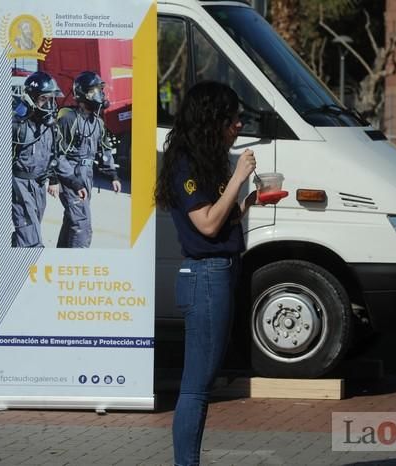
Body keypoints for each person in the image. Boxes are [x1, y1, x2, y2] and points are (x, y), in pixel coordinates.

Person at [154, 81, 259, 466]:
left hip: (221, 273)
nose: (239, 125)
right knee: (196, 387)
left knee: (203, 381)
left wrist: (247, 201)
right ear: (213, 119)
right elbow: (208, 225)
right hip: (205, 278)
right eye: (233, 118)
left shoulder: (209, 158)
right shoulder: (185, 162)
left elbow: (224, 218)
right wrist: (239, 177)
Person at [11, 71, 85, 247]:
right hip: (19, 186)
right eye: (44, 99)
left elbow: (57, 157)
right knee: (31, 240)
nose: (50, 104)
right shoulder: (16, 125)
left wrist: (76, 183)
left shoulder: (49, 127)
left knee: (28, 232)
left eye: (52, 99)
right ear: (31, 98)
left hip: (38, 186)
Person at [55, 71, 121, 248]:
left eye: (100, 90)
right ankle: (78, 262)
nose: (99, 95)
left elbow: (105, 148)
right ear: (83, 93)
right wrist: (71, 182)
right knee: (82, 225)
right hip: (71, 175)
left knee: (72, 220)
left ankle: (61, 259)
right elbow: (57, 153)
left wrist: (112, 175)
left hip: (87, 175)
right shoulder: (68, 118)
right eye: (94, 91)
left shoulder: (97, 122)